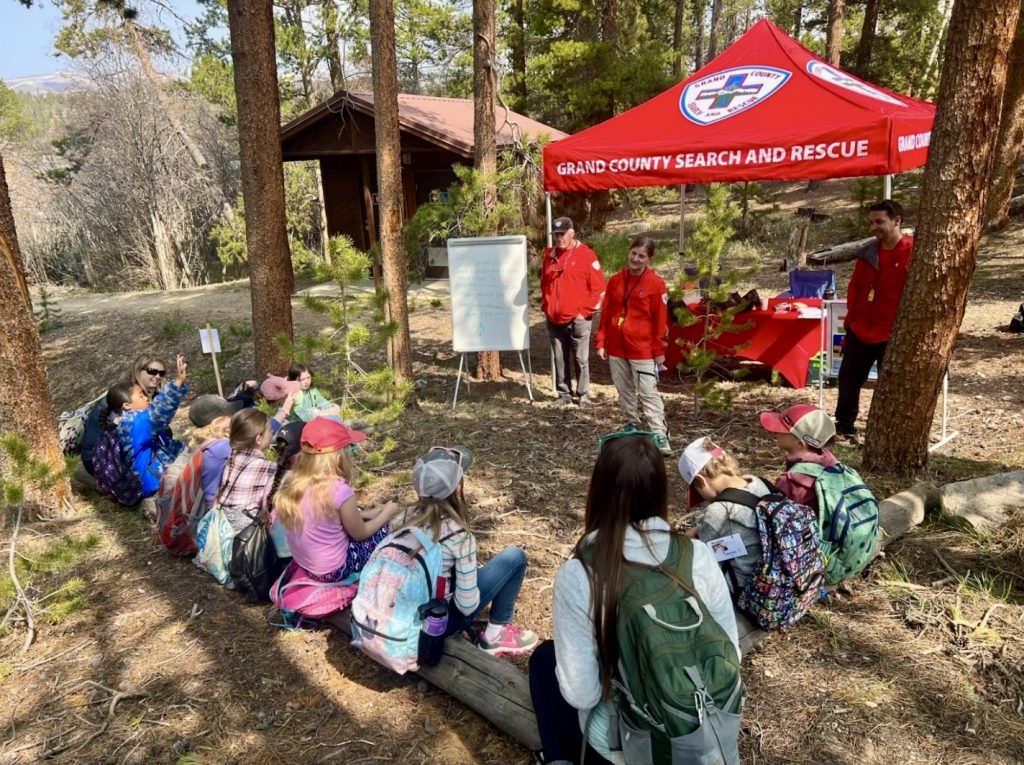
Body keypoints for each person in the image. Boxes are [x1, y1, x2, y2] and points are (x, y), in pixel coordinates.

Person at [530, 433, 740, 764]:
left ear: (598, 490)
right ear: (660, 490)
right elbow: (732, 652)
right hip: (704, 731)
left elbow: (581, 694)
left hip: (628, 745)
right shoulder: (697, 554)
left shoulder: (581, 573)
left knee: (543, 659)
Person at [402, 446, 538, 655]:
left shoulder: (402, 518)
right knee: (515, 557)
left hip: (401, 612)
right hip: (436, 622)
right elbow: (466, 606)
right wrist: (470, 580)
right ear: (456, 488)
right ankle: (495, 634)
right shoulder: (459, 537)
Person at [273, 418, 402, 582]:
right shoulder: (339, 490)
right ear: (338, 457)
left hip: (306, 565)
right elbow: (360, 534)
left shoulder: (292, 482)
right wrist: (386, 513)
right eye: (349, 449)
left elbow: (323, 519)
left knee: (363, 515)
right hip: (334, 569)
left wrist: (369, 513)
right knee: (385, 529)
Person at [835, 199, 913, 438]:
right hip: (860, 330)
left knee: (890, 387)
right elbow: (855, 288)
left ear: (896, 221)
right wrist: (851, 322)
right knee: (848, 381)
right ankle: (844, 428)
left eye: (879, 221)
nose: (873, 228)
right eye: (871, 222)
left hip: (892, 333)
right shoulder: (868, 252)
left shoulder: (914, 250)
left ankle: (887, 433)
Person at [595, 235, 671, 454]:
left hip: (643, 350)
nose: (636, 259)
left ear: (649, 260)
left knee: (648, 392)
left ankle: (660, 433)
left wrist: (658, 351)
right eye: (634, 254)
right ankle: (632, 423)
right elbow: (606, 313)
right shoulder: (616, 280)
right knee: (624, 390)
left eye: (642, 256)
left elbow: (660, 320)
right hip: (618, 348)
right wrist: (601, 341)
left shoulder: (656, 283)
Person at [678, 436, 774, 595]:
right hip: (769, 566)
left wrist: (686, 539)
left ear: (701, 481)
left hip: (746, 587)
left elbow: (706, 553)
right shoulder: (758, 482)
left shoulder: (719, 511)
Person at [540, 216, 606, 408]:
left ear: (572, 233)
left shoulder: (586, 255)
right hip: (554, 318)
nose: (559, 238)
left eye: (562, 234)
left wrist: (583, 313)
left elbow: (599, 289)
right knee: (560, 357)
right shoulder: (550, 255)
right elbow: (545, 284)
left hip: (578, 319)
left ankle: (583, 394)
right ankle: (563, 394)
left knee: (580, 357)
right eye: (556, 234)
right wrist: (546, 306)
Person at [189, 392, 295, 507]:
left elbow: (259, 434)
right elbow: (258, 436)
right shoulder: (222, 447)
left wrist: (283, 411)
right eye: (230, 414)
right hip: (217, 512)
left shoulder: (205, 441)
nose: (233, 416)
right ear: (218, 421)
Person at [115, 354, 189, 497]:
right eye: (152, 371)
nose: (157, 376)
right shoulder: (134, 418)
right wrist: (177, 383)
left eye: (161, 373)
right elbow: (156, 416)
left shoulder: (133, 410)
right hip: (150, 480)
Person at [759, 403, 837, 513]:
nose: (776, 432)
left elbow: (779, 520)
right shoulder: (835, 466)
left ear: (800, 443)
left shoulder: (789, 482)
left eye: (783, 429)